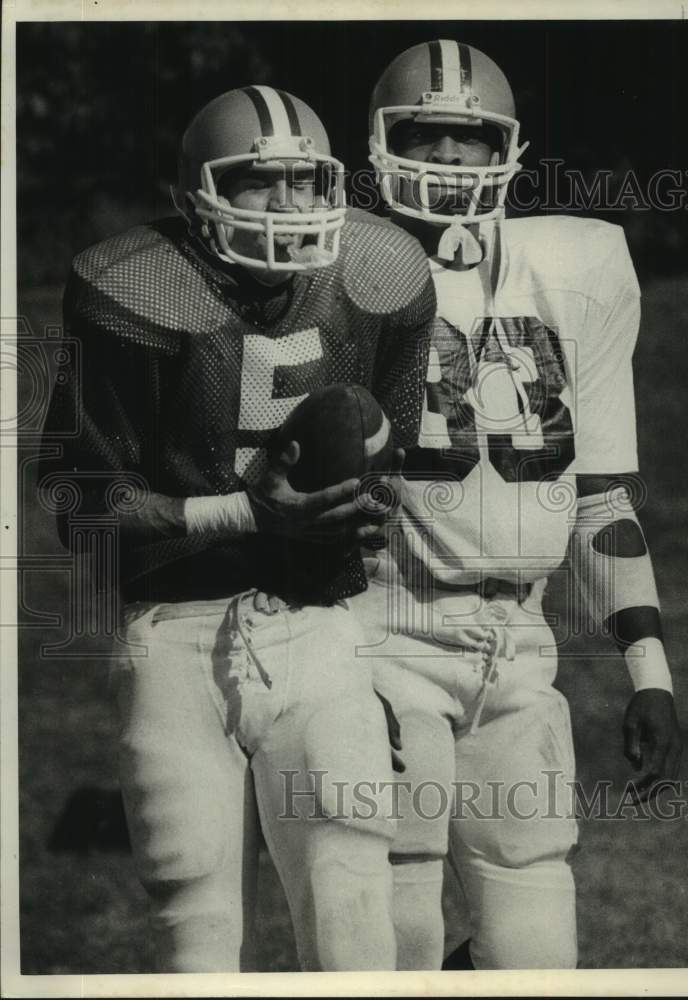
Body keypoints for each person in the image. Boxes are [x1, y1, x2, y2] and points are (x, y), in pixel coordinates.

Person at [41, 84, 435, 972]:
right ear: (192, 196)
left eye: (306, 183)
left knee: (352, 907)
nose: (290, 209)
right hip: (176, 632)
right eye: (260, 184)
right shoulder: (132, 286)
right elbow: (78, 504)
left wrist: (368, 523)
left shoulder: (382, 273)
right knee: (199, 923)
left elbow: (386, 456)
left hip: (319, 625)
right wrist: (244, 512)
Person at [350, 39, 683, 970]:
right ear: (382, 143)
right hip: (383, 636)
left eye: (469, 137)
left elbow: (600, 495)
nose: (450, 158)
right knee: (394, 923)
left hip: (518, 648)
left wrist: (648, 666)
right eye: (427, 133)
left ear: (509, 149)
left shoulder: (577, 266)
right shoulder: (330, 276)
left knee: (536, 950)